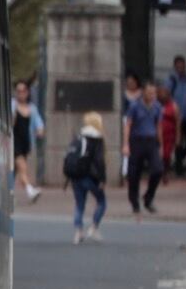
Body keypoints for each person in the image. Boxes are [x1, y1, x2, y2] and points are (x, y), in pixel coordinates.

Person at [62, 111, 111, 242]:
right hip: (91, 177)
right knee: (102, 201)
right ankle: (94, 227)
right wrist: (102, 179)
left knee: (79, 204)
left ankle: (78, 232)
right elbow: (99, 161)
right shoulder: (97, 139)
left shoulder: (79, 136)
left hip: (76, 176)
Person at [122, 75, 166, 215]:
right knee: (133, 174)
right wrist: (126, 144)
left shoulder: (158, 107)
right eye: (149, 93)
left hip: (151, 141)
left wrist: (161, 145)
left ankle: (148, 197)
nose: (152, 96)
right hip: (137, 141)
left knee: (158, 169)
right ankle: (134, 202)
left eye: (154, 93)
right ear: (143, 93)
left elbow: (158, 126)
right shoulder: (135, 106)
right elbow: (128, 125)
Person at [11, 79, 42, 203]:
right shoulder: (12, 104)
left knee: (15, 170)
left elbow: (39, 124)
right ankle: (30, 191)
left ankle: (9, 193)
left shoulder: (32, 109)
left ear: (28, 92)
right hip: (13, 142)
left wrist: (40, 130)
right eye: (18, 91)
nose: (21, 93)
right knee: (22, 168)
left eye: (23, 91)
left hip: (25, 143)